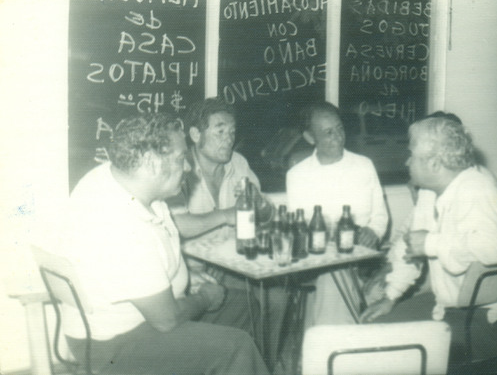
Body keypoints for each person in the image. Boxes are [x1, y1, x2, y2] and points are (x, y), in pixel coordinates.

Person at [60, 113, 269, 375]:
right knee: (236, 346)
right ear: (150, 162)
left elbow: (163, 237)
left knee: (244, 306)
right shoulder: (120, 225)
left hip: (133, 319)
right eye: (181, 159)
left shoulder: (117, 178)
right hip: (117, 344)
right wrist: (204, 298)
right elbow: (166, 320)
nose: (188, 168)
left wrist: (187, 275)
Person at [360, 113, 497, 361]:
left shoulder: (477, 188)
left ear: (435, 164)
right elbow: (411, 250)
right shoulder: (430, 193)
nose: (407, 163)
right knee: (373, 329)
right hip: (453, 309)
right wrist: (391, 297)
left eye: (412, 155)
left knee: (393, 348)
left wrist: (431, 243)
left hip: (493, 319)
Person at [167, 97, 286, 367]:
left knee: (278, 297)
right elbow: (177, 225)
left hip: (237, 261)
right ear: (196, 134)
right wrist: (225, 216)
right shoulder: (178, 168)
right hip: (193, 267)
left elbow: (266, 214)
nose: (228, 139)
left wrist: (259, 203)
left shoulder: (239, 163)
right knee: (250, 302)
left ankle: (264, 363)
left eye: (232, 132)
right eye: (220, 131)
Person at [286, 101, 389, 326]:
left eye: (340, 128)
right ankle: (336, 342)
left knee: (340, 276)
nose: (338, 137)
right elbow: (300, 227)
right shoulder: (298, 175)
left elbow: (381, 215)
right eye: (328, 132)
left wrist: (373, 231)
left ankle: (328, 345)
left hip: (363, 253)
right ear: (310, 137)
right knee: (335, 274)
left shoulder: (364, 165)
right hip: (320, 257)